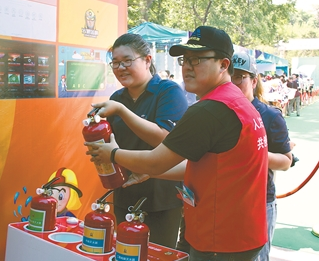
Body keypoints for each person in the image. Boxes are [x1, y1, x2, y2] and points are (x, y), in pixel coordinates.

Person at [86, 26, 268, 261]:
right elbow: (210, 166)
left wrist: (113, 154)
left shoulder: (210, 109)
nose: (187, 67)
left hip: (219, 237)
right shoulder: (234, 101)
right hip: (239, 231)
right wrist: (150, 173)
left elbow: (156, 161)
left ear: (224, 65)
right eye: (185, 60)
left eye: (198, 60)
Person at [93, 33, 188, 248]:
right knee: (126, 252)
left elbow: (165, 138)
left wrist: (122, 111)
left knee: (157, 253)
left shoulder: (168, 92)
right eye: (115, 63)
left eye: (127, 60)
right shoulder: (117, 98)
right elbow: (112, 144)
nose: (120, 68)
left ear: (147, 60)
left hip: (161, 197)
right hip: (125, 192)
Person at [232, 51, 293, 261]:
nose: (234, 81)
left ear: (254, 80)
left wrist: (253, 153)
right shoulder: (217, 112)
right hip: (224, 200)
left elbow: (286, 161)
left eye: (241, 76)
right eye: (230, 75)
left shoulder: (270, 115)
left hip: (259, 202)